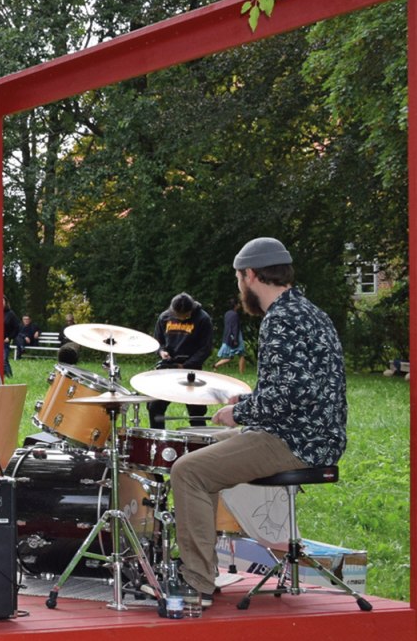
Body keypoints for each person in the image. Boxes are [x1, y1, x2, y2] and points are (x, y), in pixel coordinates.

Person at [172, 237, 348, 609]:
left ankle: (197, 583)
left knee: (189, 471)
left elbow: (289, 395)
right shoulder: (310, 312)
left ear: (250, 275)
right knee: (210, 450)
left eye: (239, 280)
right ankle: (206, 566)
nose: (240, 287)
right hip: (318, 434)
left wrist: (238, 413)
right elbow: (301, 387)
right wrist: (248, 401)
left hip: (295, 440)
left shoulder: (279, 320)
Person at [147, 292, 215, 428]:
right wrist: (162, 352)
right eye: (178, 316)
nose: (182, 318)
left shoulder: (203, 319)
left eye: (185, 316)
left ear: (191, 310)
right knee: (154, 406)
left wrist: (185, 365)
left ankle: (198, 444)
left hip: (191, 371)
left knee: (196, 412)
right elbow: (157, 341)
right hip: (168, 370)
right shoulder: (165, 317)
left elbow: (206, 348)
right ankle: (158, 441)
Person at [214, 298, 248, 373]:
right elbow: (235, 327)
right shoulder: (235, 314)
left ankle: (216, 365)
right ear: (235, 305)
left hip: (227, 336)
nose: (239, 305)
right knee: (242, 354)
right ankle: (242, 373)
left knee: (229, 357)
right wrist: (235, 339)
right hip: (236, 335)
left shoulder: (227, 313)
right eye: (238, 304)